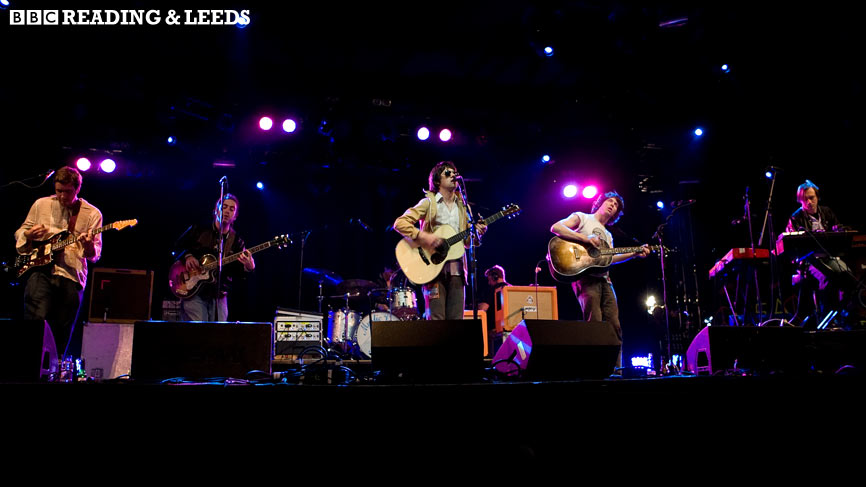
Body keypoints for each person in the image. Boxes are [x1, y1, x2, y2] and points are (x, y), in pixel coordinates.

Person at [550, 190, 649, 370]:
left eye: (616, 205)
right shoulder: (582, 217)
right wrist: (585, 238)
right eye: (610, 201)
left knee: (615, 325)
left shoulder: (608, 235)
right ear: (600, 202)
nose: (612, 205)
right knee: (594, 322)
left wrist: (634, 253)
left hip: (605, 281)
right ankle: (593, 368)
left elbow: (609, 258)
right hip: (586, 278)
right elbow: (556, 227)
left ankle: (616, 369)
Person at [14, 166, 102, 357]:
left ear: (77, 189)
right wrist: (27, 234)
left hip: (71, 274)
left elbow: (94, 254)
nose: (62, 196)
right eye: (58, 191)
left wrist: (87, 246)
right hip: (41, 270)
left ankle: (55, 370)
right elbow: (21, 232)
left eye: (67, 192)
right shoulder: (41, 204)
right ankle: (28, 367)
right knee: (35, 321)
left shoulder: (92, 214)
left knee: (62, 328)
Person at [393, 161, 487, 320]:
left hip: (457, 270)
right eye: (448, 173)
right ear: (437, 181)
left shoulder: (464, 207)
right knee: (436, 320)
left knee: (456, 321)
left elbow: (467, 242)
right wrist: (424, 236)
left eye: (455, 173)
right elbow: (400, 223)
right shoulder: (429, 203)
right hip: (433, 269)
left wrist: (477, 234)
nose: (454, 176)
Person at [174, 193, 255, 321]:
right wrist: (188, 256)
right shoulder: (199, 229)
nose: (227, 211)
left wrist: (249, 267)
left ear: (235, 217)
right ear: (216, 209)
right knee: (200, 331)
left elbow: (238, 272)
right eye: (224, 207)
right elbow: (177, 246)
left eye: (231, 209)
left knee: (219, 334)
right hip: (193, 291)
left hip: (219, 295)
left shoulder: (237, 241)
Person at [784, 180, 850, 327]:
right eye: (805, 199)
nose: (809, 202)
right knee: (828, 276)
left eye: (812, 197)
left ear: (817, 197)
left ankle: (843, 315)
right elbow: (792, 246)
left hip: (830, 257)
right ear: (800, 200)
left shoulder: (826, 212)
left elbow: (838, 229)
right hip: (809, 261)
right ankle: (828, 320)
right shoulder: (795, 218)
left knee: (848, 275)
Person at [478, 265, 510, 355]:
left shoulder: (493, 290)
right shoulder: (510, 289)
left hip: (494, 332)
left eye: (489, 279)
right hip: (510, 330)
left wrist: (477, 306)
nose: (489, 282)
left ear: (494, 277)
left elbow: (483, 309)